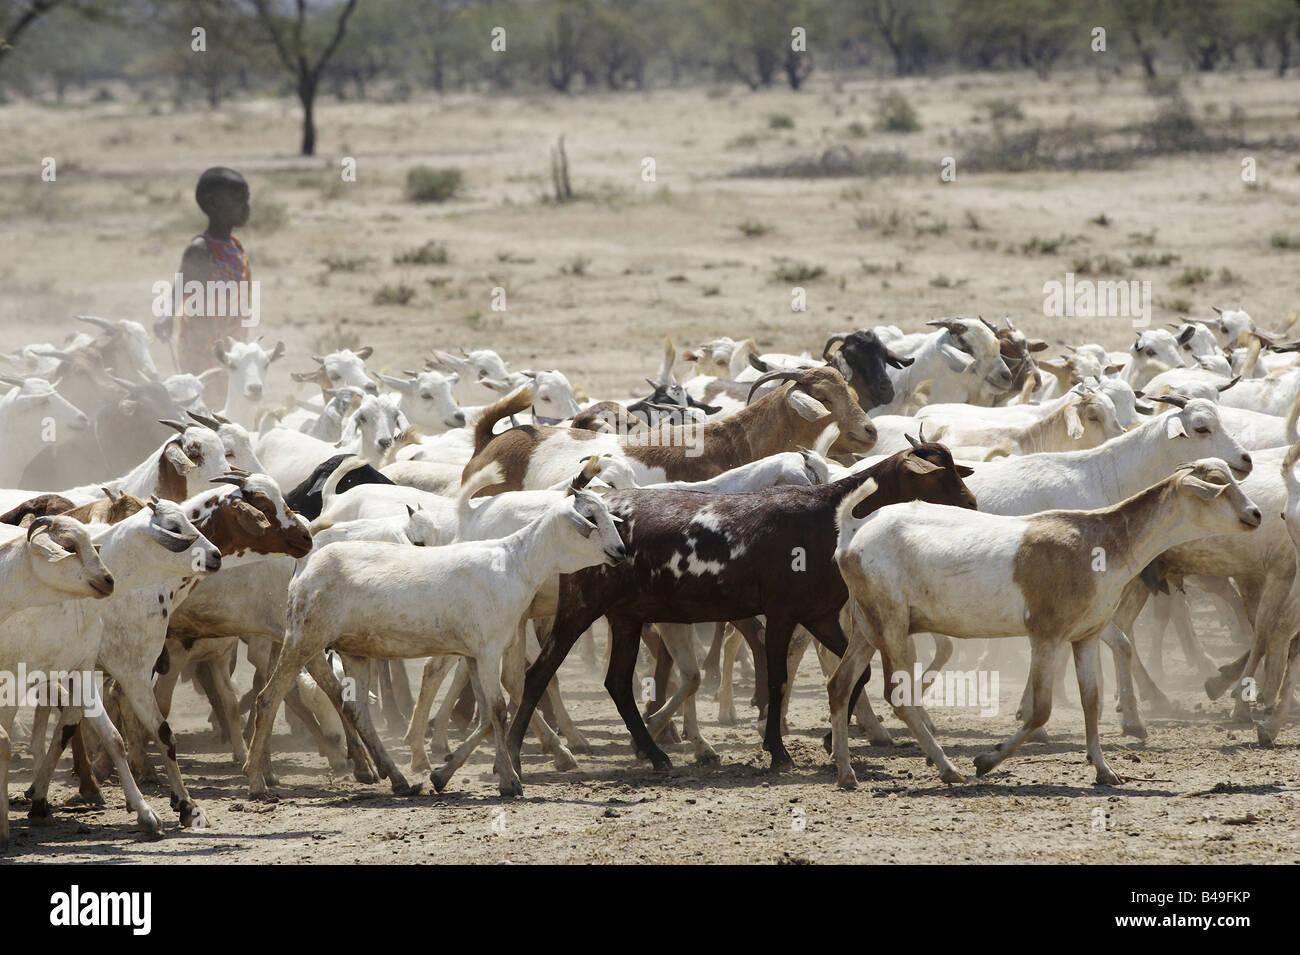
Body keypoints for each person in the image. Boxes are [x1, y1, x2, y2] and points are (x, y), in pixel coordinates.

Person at [159, 167, 254, 374]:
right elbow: (181, 284)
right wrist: (166, 316)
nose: (245, 207)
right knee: (204, 400)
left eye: (247, 199)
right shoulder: (201, 249)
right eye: (238, 200)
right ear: (213, 203)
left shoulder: (235, 247)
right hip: (201, 348)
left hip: (232, 345)